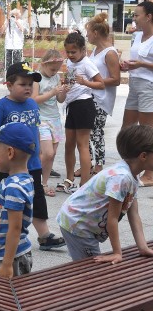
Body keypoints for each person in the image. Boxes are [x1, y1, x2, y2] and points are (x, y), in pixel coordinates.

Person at [0, 61, 65, 251]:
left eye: (30, 84)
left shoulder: (32, 105)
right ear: (9, 85)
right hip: (5, 165)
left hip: (32, 164)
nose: (28, 88)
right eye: (23, 84)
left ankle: (44, 235)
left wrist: (39, 151)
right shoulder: (2, 106)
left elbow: (35, 130)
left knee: (36, 197)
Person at [56, 125, 153, 263]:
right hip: (77, 224)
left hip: (83, 222)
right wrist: (117, 253)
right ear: (143, 156)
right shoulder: (121, 177)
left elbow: (134, 213)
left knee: (92, 266)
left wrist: (143, 247)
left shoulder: (133, 175)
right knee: (90, 270)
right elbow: (112, 219)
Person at [0, 122, 35, 278]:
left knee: (11, 297)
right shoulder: (19, 181)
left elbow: (15, 228)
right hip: (6, 254)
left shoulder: (14, 187)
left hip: (10, 258)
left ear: (10, 153)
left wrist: (6, 264)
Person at [57, 32, 104, 193]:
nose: (70, 55)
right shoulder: (70, 64)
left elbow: (101, 84)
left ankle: (85, 183)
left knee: (82, 145)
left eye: (73, 52)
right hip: (72, 105)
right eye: (68, 52)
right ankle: (70, 178)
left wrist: (85, 82)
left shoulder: (86, 63)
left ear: (83, 50)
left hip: (84, 104)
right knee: (68, 145)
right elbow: (70, 83)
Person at [84, 13, 120, 176]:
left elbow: (116, 79)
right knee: (87, 130)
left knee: (96, 131)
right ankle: (88, 163)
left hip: (101, 98)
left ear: (96, 33)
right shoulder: (97, 50)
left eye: (88, 32)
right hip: (91, 95)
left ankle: (98, 164)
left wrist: (94, 82)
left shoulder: (110, 53)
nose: (87, 36)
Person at [121, 1, 153, 187]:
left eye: (137, 15)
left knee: (147, 130)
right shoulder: (138, 36)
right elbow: (137, 60)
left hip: (148, 85)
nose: (134, 18)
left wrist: (141, 65)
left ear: (148, 16)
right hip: (134, 83)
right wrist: (128, 65)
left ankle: (149, 174)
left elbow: (143, 63)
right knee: (128, 126)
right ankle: (132, 166)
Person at [32, 50, 65, 196]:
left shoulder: (56, 77)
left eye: (57, 69)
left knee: (51, 155)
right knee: (47, 153)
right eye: (52, 69)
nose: (54, 72)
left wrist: (64, 91)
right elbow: (33, 100)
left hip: (55, 119)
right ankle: (35, 180)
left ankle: (43, 182)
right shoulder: (36, 78)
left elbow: (60, 100)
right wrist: (51, 93)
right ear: (43, 64)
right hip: (41, 120)